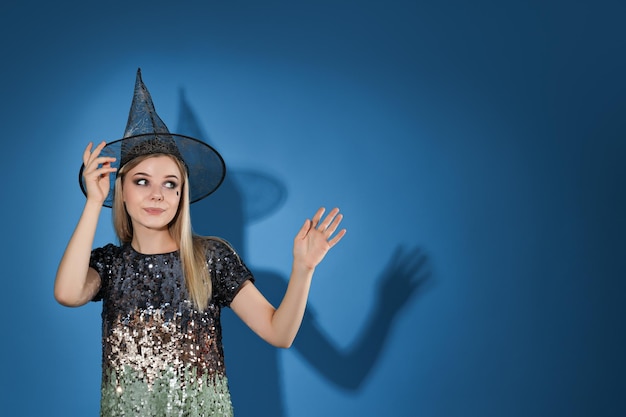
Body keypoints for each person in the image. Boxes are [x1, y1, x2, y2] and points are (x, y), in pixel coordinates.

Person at [54, 69, 346, 417]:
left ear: (181, 195)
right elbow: (68, 293)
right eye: (142, 181)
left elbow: (278, 333)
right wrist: (92, 202)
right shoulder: (112, 264)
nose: (157, 195)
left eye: (170, 184)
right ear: (122, 191)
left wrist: (303, 268)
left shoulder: (211, 259)